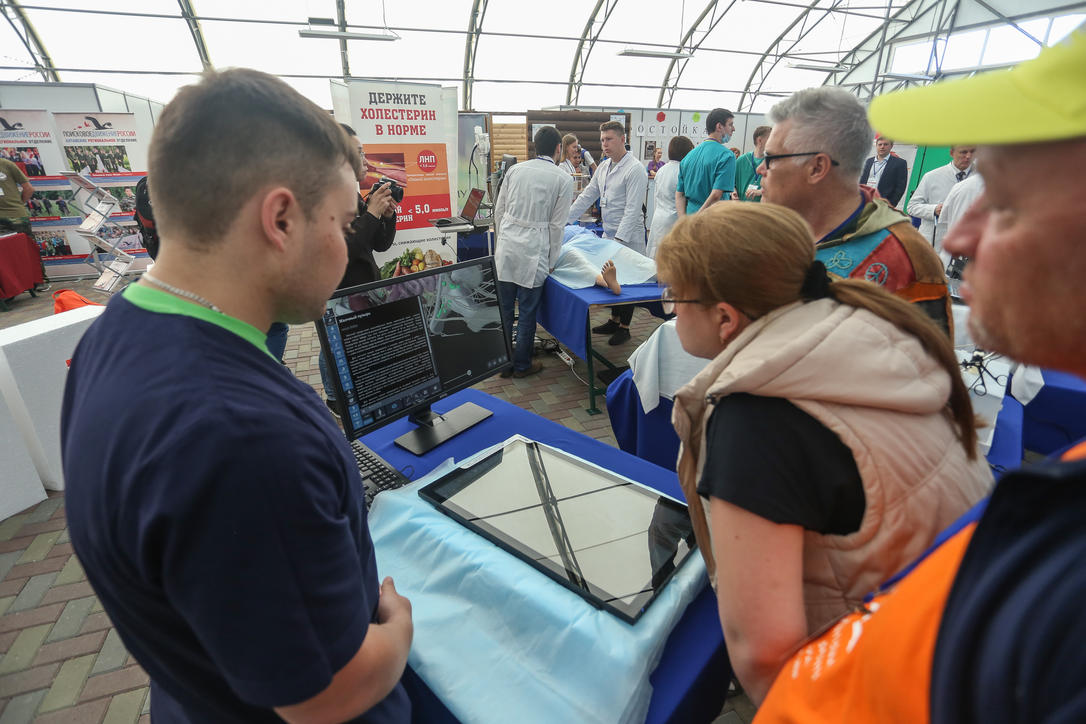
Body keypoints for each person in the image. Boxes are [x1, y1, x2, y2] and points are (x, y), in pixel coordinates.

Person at [750, 29, 1086, 724]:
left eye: (1008, 203)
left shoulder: (899, 253)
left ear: (817, 167)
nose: (959, 239)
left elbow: (921, 380)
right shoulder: (1053, 505)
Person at [61, 69, 413, 723]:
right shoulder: (248, 438)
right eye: (341, 222)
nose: (346, 247)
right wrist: (398, 629)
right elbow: (327, 695)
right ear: (280, 219)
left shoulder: (110, 337)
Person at [658, 202, 991, 704]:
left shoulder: (755, 418)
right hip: (958, 647)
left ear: (725, 317)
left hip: (884, 688)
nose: (671, 308)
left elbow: (764, 653)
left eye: (674, 296)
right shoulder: (860, 328)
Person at [758, 87, 952, 336]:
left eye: (771, 158)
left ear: (817, 167)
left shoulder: (907, 258)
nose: (760, 169)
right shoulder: (771, 232)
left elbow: (928, 356)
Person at [317, 123, 398, 413]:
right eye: (359, 153)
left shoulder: (352, 193)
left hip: (363, 290)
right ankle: (334, 399)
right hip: (340, 293)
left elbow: (379, 245)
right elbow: (342, 250)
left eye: (364, 153)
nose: (365, 160)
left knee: (353, 347)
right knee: (334, 346)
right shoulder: (323, 198)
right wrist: (372, 213)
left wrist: (386, 217)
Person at [493, 125, 574, 378]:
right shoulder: (563, 178)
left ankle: (503, 363)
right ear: (559, 148)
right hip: (533, 250)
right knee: (528, 312)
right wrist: (552, 260)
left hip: (507, 246)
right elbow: (557, 226)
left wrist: (501, 242)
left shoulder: (515, 170)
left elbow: (499, 210)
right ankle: (522, 365)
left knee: (505, 309)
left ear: (534, 146)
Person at [567, 120, 648, 346]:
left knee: (628, 280)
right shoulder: (604, 167)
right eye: (602, 140)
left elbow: (632, 210)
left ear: (623, 139)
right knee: (612, 277)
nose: (605, 144)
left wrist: (618, 242)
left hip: (628, 237)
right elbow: (587, 195)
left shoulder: (635, 169)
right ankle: (614, 320)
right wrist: (565, 219)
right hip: (610, 233)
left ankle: (625, 328)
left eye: (609, 139)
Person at [907, 145, 977, 258]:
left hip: (966, 244)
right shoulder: (932, 176)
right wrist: (934, 209)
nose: (968, 156)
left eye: (972, 152)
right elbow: (912, 206)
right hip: (934, 243)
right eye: (963, 152)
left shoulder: (982, 178)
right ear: (952, 153)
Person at [675, 108, 736, 217]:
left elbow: (679, 194)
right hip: (712, 219)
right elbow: (716, 195)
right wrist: (697, 218)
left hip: (690, 216)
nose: (733, 129)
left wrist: (684, 221)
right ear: (719, 126)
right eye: (730, 125)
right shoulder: (727, 156)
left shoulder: (688, 157)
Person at [647, 135, 694, 258]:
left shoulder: (662, 170)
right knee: (671, 259)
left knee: (656, 256)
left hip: (659, 217)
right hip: (674, 219)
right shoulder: (684, 171)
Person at [934, 172, 984, 267]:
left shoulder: (960, 185)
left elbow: (944, 217)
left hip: (949, 257)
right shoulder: (995, 190)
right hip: (970, 261)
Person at [859, 136, 909, 207]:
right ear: (876, 146)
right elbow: (860, 182)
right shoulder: (867, 162)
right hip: (864, 201)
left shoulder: (900, 163)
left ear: (891, 146)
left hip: (883, 204)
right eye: (880, 144)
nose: (882, 147)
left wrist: (890, 205)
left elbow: (900, 187)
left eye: (885, 144)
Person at [734, 125, 770, 203]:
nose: (773, 142)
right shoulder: (741, 160)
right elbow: (731, 183)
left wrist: (760, 192)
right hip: (740, 207)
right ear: (760, 140)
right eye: (770, 139)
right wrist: (733, 192)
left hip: (761, 208)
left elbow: (776, 187)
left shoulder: (772, 162)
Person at [0, 155, 34, 235]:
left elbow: (29, 189)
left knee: (23, 242)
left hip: (17, 217)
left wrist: (19, 204)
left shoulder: (6, 164)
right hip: (16, 214)